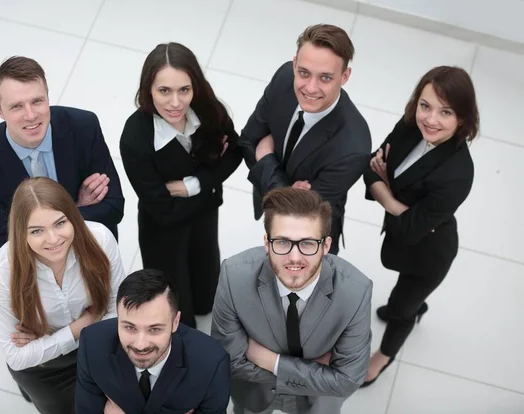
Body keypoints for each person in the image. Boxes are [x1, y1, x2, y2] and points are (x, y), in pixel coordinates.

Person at [361, 66, 479, 386]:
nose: (430, 119)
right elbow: (370, 167)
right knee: (406, 296)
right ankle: (417, 304)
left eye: (446, 112)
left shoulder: (458, 174)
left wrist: (386, 193)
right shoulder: (410, 126)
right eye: (425, 105)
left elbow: (410, 228)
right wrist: (397, 203)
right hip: (411, 238)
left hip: (430, 253)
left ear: (463, 119)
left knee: (401, 310)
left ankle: (384, 357)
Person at [211, 188, 372, 414]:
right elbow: (229, 362)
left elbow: (346, 380)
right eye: (283, 242)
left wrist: (270, 361)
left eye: (307, 243)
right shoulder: (233, 276)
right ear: (267, 243)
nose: (294, 257)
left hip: (317, 403)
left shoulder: (356, 292)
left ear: (326, 246)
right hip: (254, 395)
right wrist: (318, 372)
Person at [119, 42, 242, 328]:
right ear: (148, 89)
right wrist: (210, 192)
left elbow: (235, 153)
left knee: (206, 283)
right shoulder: (135, 138)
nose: (175, 103)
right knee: (174, 301)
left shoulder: (210, 111)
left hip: (203, 218)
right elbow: (162, 210)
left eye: (184, 90)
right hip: (162, 232)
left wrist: (192, 186)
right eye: (164, 91)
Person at [0, 177, 126, 414]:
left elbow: (118, 310)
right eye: (37, 230)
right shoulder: (0, 273)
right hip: (45, 370)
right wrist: (83, 324)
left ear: (73, 216)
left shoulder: (100, 239)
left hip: (98, 347)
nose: (53, 239)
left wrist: (46, 339)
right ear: (21, 233)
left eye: (60, 223)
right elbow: (16, 357)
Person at [0, 56, 124, 262]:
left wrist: (40, 229)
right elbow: (0, 241)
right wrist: (74, 210)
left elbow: (113, 207)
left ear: (48, 97)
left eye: (37, 101)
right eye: (16, 106)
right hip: (28, 263)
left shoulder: (83, 127)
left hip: (87, 245)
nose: (30, 116)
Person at [239, 24, 371, 255]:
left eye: (326, 78)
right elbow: (248, 142)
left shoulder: (353, 147)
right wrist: (290, 190)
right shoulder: (283, 78)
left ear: (345, 76)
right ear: (294, 65)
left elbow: (300, 217)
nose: (310, 87)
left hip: (311, 238)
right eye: (304, 73)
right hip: (271, 200)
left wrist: (267, 159)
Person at [76, 268, 231, 414]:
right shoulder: (92, 345)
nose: (140, 345)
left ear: (175, 322)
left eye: (154, 329)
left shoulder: (211, 364)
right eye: (130, 327)